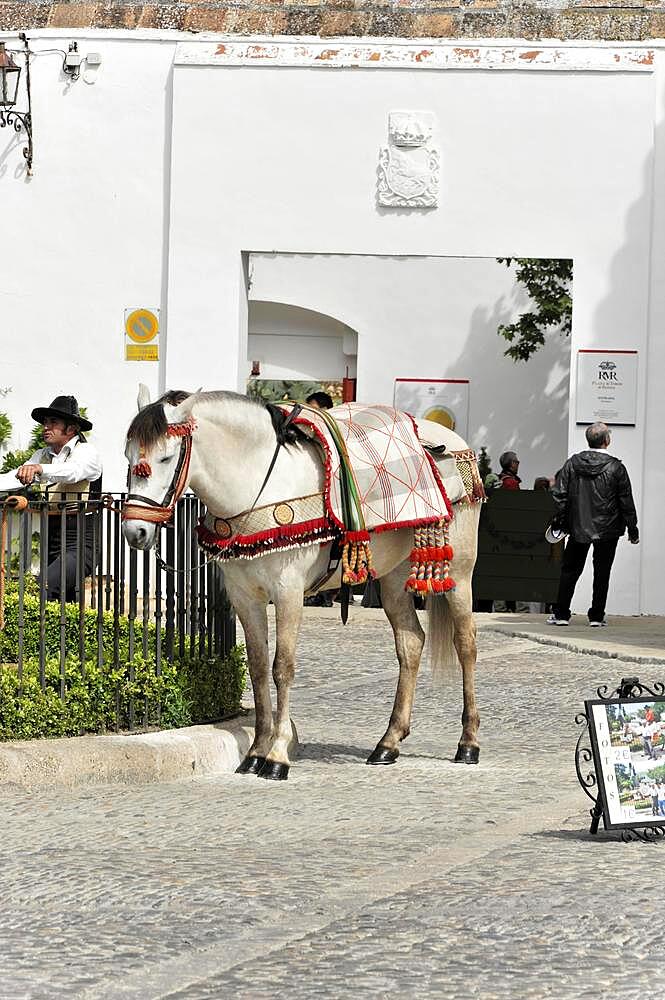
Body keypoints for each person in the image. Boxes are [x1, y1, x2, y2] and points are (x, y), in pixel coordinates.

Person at [0, 395, 102, 602]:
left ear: (72, 429)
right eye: (45, 422)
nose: (46, 427)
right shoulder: (41, 455)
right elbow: (15, 477)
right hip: (52, 535)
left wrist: (39, 469)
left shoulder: (87, 453)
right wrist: (33, 468)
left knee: (43, 588)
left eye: (53, 422)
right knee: (64, 601)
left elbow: (73, 471)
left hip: (81, 539)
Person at [547, 422, 638, 627]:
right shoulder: (616, 467)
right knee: (602, 571)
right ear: (607, 441)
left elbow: (559, 495)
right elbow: (625, 500)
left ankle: (561, 614)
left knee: (570, 570)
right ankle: (596, 616)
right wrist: (633, 529)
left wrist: (562, 521)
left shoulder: (572, 464)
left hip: (578, 526)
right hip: (608, 528)